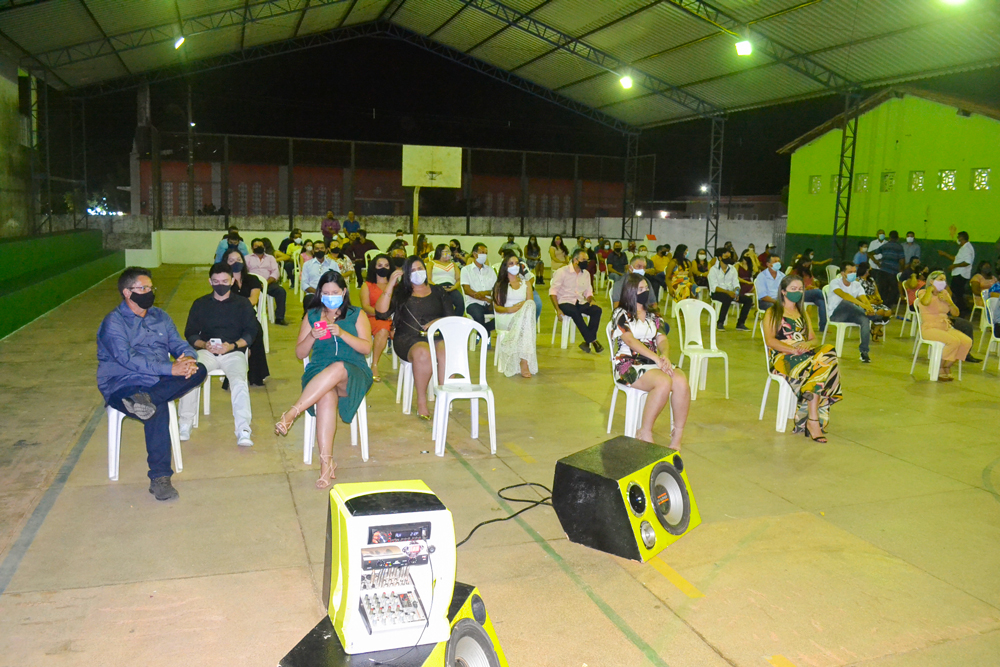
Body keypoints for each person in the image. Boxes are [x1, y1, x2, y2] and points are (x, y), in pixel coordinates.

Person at [97, 268, 207, 501]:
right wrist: (170, 369)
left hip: (157, 380)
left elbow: (178, 343)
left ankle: (147, 398)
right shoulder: (113, 323)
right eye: (143, 289)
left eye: (150, 288)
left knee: (200, 370)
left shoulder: (160, 316)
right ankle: (160, 478)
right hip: (123, 383)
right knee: (154, 409)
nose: (149, 293)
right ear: (127, 292)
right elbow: (128, 359)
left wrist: (187, 358)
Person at [275, 270, 373, 488]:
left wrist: (342, 333)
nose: (330, 296)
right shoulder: (312, 316)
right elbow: (300, 354)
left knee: (338, 367)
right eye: (326, 292)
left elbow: (366, 347)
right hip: (319, 372)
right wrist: (311, 336)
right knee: (326, 395)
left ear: (344, 292)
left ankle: (292, 412)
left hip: (353, 373)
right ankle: (326, 465)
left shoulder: (357, 314)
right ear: (320, 293)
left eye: (335, 292)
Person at [178, 262, 258, 447]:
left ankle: (243, 429)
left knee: (238, 381)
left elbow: (251, 333)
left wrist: (232, 346)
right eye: (216, 281)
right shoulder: (200, 304)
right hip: (207, 352)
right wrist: (202, 344)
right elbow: (190, 332)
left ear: (232, 281)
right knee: (191, 374)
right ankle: (185, 423)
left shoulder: (242, 304)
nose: (220, 284)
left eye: (224, 281)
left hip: (233, 352)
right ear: (210, 281)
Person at [611, 274, 689, 450]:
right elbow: (630, 341)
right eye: (640, 289)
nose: (645, 292)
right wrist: (656, 358)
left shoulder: (654, 316)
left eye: (646, 288)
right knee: (663, 382)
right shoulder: (621, 313)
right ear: (630, 292)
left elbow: (662, 340)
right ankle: (645, 431)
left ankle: (677, 436)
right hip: (628, 364)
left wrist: (665, 356)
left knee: (681, 380)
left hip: (654, 362)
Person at [763, 275, 842, 442]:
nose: (797, 292)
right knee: (824, 365)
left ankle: (809, 396)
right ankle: (813, 421)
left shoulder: (802, 312)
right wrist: (792, 349)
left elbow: (814, 339)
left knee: (828, 351)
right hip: (783, 357)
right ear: (783, 292)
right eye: (793, 289)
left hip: (805, 354)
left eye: (800, 289)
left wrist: (807, 345)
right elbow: (770, 341)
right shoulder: (773, 312)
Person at [375, 256, 454, 420]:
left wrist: (437, 321)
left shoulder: (438, 291)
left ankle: (445, 394)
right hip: (408, 338)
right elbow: (381, 313)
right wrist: (390, 284)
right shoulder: (401, 293)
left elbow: (451, 316)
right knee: (423, 352)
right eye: (412, 271)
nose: (417, 273)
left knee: (447, 350)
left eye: (420, 269)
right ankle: (422, 400)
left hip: (436, 336)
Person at [224, 248, 269, 386]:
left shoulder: (252, 279)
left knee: (255, 330)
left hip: (248, 316)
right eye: (231, 260)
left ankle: (256, 375)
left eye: (238, 260)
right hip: (229, 318)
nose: (235, 263)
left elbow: (253, 300)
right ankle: (231, 373)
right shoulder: (223, 281)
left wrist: (236, 305)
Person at [916, 271, 972, 381]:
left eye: (944, 280)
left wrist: (949, 301)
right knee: (953, 341)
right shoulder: (923, 292)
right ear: (932, 281)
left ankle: (947, 365)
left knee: (967, 341)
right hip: (930, 328)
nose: (943, 282)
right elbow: (926, 302)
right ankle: (940, 367)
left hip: (945, 326)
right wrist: (930, 290)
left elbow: (956, 313)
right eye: (940, 279)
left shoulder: (945, 293)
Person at [549, 248, 603, 354]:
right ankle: (593, 340)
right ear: (575, 260)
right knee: (574, 311)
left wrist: (591, 300)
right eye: (583, 260)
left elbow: (588, 292)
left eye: (587, 260)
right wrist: (558, 309)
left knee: (597, 310)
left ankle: (587, 342)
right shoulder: (562, 272)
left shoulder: (586, 274)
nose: (586, 262)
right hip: (565, 302)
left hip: (580, 301)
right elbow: (553, 292)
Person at [492, 253, 537, 378]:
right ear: (505, 267)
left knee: (529, 307)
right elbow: (497, 307)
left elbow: (530, 304)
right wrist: (510, 309)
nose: (515, 266)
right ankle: (524, 362)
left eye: (517, 263)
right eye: (511, 263)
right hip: (506, 317)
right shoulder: (500, 285)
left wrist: (522, 306)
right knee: (527, 322)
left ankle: (524, 360)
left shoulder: (526, 283)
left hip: (522, 317)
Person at [827, 262, 875, 363]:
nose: (853, 274)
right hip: (836, 315)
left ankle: (864, 352)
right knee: (847, 303)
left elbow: (864, 298)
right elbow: (845, 296)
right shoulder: (835, 282)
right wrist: (863, 307)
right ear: (843, 273)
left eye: (854, 271)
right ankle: (875, 317)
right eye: (850, 272)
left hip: (851, 313)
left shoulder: (857, 285)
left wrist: (869, 308)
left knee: (865, 320)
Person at [360, 254, 393, 382]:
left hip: (394, 318)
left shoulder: (395, 285)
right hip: (374, 317)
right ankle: (374, 364)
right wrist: (381, 314)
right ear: (374, 267)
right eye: (380, 265)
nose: (383, 268)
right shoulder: (367, 285)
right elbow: (366, 306)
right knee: (383, 329)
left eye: (386, 265)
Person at [246, 238, 288, 325]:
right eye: (256, 246)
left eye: (261, 246)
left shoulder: (270, 258)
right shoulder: (247, 258)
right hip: (252, 285)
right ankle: (250, 317)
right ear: (252, 248)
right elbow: (245, 272)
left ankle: (279, 318)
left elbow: (275, 272)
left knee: (281, 291)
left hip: (269, 283)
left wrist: (266, 282)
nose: (259, 247)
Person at [460, 243, 497, 342]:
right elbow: (467, 290)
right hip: (473, 303)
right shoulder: (466, 270)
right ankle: (486, 336)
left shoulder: (491, 271)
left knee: (502, 315)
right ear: (475, 254)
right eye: (482, 252)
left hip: (489, 302)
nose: (484, 255)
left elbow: (496, 289)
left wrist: (484, 294)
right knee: (478, 315)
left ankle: (482, 333)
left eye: (486, 253)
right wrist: (483, 297)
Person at [709, 248, 751, 331]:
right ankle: (720, 322)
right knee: (727, 298)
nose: (728, 258)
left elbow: (736, 283)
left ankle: (740, 323)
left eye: (729, 256)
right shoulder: (713, 270)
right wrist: (729, 292)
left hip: (731, 292)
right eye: (726, 256)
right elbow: (715, 287)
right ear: (720, 258)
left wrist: (737, 292)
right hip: (718, 293)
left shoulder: (732, 269)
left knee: (748, 300)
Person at [938, 231, 975, 318]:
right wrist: (944, 254)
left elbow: (967, 262)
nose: (957, 240)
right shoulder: (963, 248)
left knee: (956, 293)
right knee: (957, 292)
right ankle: (961, 309)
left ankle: (961, 310)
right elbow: (956, 259)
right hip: (958, 273)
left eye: (958, 238)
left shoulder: (967, 248)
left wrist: (954, 266)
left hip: (961, 274)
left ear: (962, 238)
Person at [788, 256, 828, 331]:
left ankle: (823, 327)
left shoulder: (808, 273)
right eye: (806, 265)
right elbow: (790, 285)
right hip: (800, 294)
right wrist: (805, 288)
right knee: (818, 292)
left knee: (822, 302)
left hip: (810, 293)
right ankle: (830, 299)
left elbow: (812, 282)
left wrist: (813, 286)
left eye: (808, 265)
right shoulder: (794, 272)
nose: (807, 266)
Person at [856, 262, 893, 341]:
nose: (871, 269)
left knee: (888, 312)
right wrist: (870, 301)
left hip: (874, 301)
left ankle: (875, 329)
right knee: (880, 311)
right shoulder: (857, 280)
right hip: (864, 303)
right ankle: (875, 331)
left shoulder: (871, 280)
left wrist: (879, 299)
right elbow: (857, 296)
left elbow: (876, 292)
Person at [428, 243, 464, 316]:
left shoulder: (453, 264)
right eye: (446, 251)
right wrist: (437, 287)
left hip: (451, 287)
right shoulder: (431, 263)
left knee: (460, 303)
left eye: (449, 251)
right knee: (442, 306)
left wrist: (454, 287)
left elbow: (459, 279)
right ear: (439, 252)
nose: (449, 253)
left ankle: (454, 322)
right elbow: (428, 279)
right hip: (437, 287)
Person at [871, 230, 905, 307]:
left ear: (889, 237)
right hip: (893, 272)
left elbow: (870, 253)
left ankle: (882, 305)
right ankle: (888, 305)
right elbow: (902, 260)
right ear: (898, 238)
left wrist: (876, 262)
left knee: (882, 289)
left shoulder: (885, 246)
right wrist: (901, 269)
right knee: (894, 290)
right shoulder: (899, 247)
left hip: (882, 270)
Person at [301, 240, 335, 310]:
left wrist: (328, 292)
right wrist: (317, 293)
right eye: (317, 249)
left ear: (326, 250)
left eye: (322, 248)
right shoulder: (307, 265)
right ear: (313, 251)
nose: (320, 250)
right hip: (313, 294)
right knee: (308, 300)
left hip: (330, 294)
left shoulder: (333, 264)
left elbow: (338, 281)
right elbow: (304, 284)